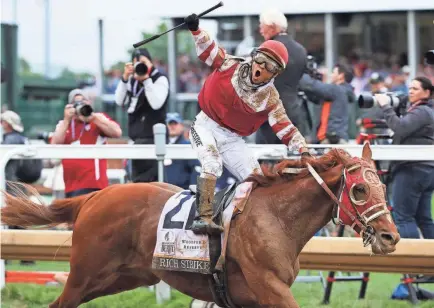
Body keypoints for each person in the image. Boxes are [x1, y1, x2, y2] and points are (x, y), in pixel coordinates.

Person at [184, 14, 310, 235]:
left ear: (276, 73)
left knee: (256, 179)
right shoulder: (229, 64)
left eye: (269, 66)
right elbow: (209, 50)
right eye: (260, 60)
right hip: (205, 126)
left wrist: (304, 150)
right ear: (253, 57)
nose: (260, 68)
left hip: (232, 138)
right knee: (212, 163)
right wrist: (196, 30)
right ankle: (202, 216)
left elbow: (286, 129)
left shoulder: (271, 99)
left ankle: (242, 222)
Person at [375, 77, 434, 239]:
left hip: (412, 168)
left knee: (403, 217)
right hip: (425, 169)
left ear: (427, 92)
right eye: (410, 88)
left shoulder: (422, 111)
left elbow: (400, 128)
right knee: (424, 219)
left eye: (415, 89)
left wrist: (386, 106)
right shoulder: (427, 110)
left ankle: (413, 261)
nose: (410, 92)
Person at [51, 89, 122, 198]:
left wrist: (93, 118)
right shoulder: (64, 124)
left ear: (89, 103)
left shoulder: (98, 118)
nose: (80, 106)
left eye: (83, 102)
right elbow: (54, 147)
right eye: (76, 103)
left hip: (95, 184)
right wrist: (66, 120)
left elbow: (117, 132)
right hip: (71, 185)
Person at [115, 48, 170, 183]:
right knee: (137, 183)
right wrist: (124, 79)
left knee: (153, 182)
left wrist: (146, 81)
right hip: (136, 140)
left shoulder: (160, 79)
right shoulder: (131, 82)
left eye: (143, 62)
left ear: (151, 63)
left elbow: (156, 103)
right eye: (136, 64)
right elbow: (119, 101)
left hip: (154, 140)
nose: (141, 66)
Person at [256, 8, 309, 143]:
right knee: (292, 161)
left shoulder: (267, 49)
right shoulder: (301, 50)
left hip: (269, 116)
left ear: (272, 27)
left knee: (267, 160)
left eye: (262, 25)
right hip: (293, 113)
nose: (260, 30)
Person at [299, 64, 355, 144]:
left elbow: (310, 85)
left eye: (333, 72)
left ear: (341, 76)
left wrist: (301, 72)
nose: (331, 75)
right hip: (332, 139)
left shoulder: (336, 90)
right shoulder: (344, 92)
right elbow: (315, 96)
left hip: (332, 140)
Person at [165, 112, 200, 189]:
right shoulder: (159, 145)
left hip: (182, 191)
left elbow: (196, 169)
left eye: (175, 124)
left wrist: (192, 191)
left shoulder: (188, 146)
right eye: (170, 124)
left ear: (181, 126)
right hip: (162, 190)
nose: (172, 127)